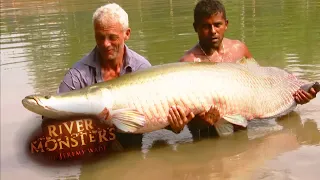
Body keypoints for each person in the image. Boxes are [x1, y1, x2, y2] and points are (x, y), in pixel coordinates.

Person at [168, 0, 317, 136]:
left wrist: (297, 98)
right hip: (209, 137)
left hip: (243, 131)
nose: (213, 31)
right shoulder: (188, 64)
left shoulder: (239, 49)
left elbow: (262, 84)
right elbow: (189, 123)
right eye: (206, 26)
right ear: (196, 28)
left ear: (226, 24)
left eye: (217, 25)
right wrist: (202, 122)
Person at [57, 3, 191, 149]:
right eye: (100, 37)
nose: (105, 44)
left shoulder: (141, 68)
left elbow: (154, 115)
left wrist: (175, 126)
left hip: (132, 149)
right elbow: (51, 121)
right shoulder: (77, 75)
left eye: (112, 37)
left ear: (127, 34)